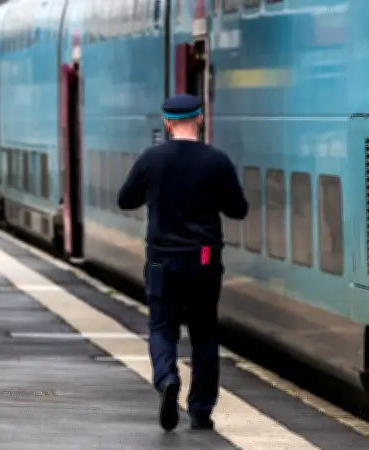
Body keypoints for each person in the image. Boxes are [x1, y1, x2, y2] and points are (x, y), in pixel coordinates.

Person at [117, 94, 248, 432]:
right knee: (204, 333)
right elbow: (238, 209)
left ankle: (167, 379)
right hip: (204, 260)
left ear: (167, 123)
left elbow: (125, 199)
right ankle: (201, 410)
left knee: (162, 328)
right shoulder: (216, 161)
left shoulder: (152, 159)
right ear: (200, 120)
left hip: (162, 260)